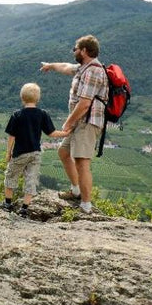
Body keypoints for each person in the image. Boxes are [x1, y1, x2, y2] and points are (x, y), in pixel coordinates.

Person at [39, 34, 109, 214]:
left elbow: (85, 103)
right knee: (63, 152)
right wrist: (51, 66)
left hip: (86, 123)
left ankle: (86, 206)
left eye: (75, 48)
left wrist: (68, 121)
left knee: (81, 162)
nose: (73, 51)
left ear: (84, 50)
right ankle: (76, 190)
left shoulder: (94, 71)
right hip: (80, 122)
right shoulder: (83, 68)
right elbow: (65, 67)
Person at [0, 82, 67, 216]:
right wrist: (66, 133)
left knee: (11, 176)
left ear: (22, 98)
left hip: (20, 153)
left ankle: (7, 204)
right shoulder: (42, 114)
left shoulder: (17, 115)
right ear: (38, 99)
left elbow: (11, 136)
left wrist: (8, 153)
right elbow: (51, 133)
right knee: (31, 180)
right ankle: (24, 209)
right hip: (35, 153)